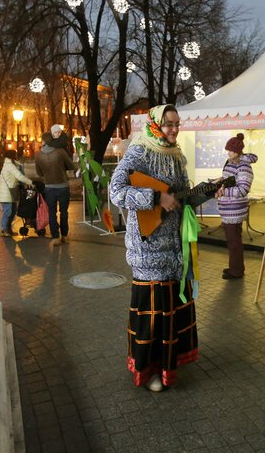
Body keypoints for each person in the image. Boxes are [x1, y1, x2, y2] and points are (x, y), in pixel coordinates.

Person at [108, 104, 197, 392]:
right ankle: (149, 372)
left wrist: (206, 192)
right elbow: (116, 191)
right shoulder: (139, 151)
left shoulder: (176, 155)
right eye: (169, 124)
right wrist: (156, 198)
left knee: (170, 313)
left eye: (177, 123)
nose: (174, 129)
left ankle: (167, 366)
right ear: (156, 124)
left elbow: (182, 196)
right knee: (154, 317)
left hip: (174, 247)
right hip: (148, 249)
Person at [216, 133, 258, 279]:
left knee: (234, 241)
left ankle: (236, 271)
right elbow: (229, 180)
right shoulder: (231, 162)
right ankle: (236, 267)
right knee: (233, 240)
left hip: (234, 209)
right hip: (229, 208)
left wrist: (223, 191)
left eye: (231, 150)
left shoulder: (244, 166)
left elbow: (243, 189)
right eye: (228, 150)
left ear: (238, 151)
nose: (228, 153)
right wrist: (218, 180)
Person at [35, 131, 75, 245]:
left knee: (52, 213)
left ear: (43, 141)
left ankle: (55, 237)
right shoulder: (60, 152)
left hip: (49, 187)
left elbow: (39, 173)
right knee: (64, 212)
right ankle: (65, 236)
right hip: (63, 186)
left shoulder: (38, 155)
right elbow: (71, 165)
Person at [0, 149, 32, 237]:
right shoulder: (9, 165)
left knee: (12, 211)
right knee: (8, 211)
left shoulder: (12, 164)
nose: (17, 156)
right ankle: (5, 229)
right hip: (6, 192)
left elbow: (19, 172)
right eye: (15, 154)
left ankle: (7, 229)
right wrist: (31, 182)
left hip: (10, 191)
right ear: (12, 156)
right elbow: (19, 176)